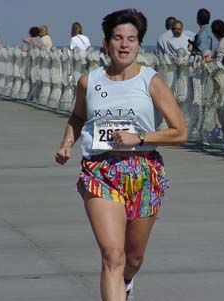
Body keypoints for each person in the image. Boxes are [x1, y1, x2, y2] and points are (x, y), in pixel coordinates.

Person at [55, 8, 187, 301]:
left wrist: (138, 138)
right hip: (100, 172)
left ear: (139, 44)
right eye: (118, 38)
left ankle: (126, 282)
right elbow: (77, 117)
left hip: (143, 172)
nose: (124, 45)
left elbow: (179, 131)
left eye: (131, 39)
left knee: (133, 258)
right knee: (112, 255)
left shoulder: (151, 81)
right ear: (106, 42)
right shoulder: (89, 82)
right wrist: (67, 143)